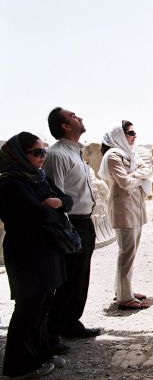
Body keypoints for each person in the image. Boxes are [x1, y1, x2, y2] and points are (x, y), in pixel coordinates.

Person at [0, 133, 71, 377]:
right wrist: (54, 210)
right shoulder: (10, 183)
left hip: (45, 248)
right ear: (20, 155)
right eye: (36, 153)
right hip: (26, 252)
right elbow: (36, 216)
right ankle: (19, 365)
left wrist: (57, 205)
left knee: (43, 304)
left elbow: (67, 200)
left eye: (44, 152)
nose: (42, 157)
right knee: (28, 307)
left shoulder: (38, 177)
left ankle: (40, 353)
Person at [43, 107, 101, 342]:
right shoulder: (57, 155)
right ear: (65, 126)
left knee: (80, 277)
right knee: (69, 280)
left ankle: (70, 323)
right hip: (72, 224)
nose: (80, 117)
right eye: (73, 116)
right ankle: (53, 331)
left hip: (86, 222)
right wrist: (66, 231)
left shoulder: (76, 152)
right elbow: (54, 194)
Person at [99, 121, 153, 310]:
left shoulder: (130, 153)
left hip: (135, 207)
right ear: (120, 136)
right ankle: (124, 297)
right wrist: (139, 175)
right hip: (124, 209)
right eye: (130, 133)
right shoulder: (114, 155)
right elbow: (123, 182)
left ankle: (124, 290)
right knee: (126, 253)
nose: (134, 136)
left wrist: (135, 173)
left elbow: (148, 170)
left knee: (130, 253)